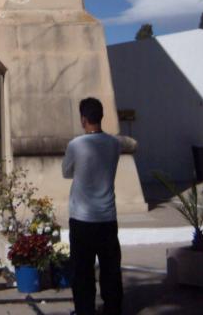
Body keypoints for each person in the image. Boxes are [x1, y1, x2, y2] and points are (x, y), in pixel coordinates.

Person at [62, 97, 123, 315]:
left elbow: (66, 172)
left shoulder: (76, 145)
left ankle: (85, 310)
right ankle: (113, 309)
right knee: (110, 269)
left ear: (83, 119)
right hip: (107, 217)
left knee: (82, 271)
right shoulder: (115, 144)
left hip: (82, 218)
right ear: (101, 117)